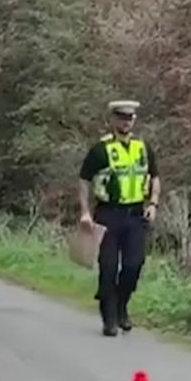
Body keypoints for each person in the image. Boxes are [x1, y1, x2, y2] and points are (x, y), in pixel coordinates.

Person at [78, 100, 160, 336]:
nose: (126, 121)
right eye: (121, 117)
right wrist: (84, 211)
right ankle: (109, 317)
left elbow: (154, 176)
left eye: (130, 118)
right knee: (109, 267)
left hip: (135, 214)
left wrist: (153, 203)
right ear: (113, 119)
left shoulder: (142, 147)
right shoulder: (100, 150)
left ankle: (121, 303)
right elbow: (84, 180)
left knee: (134, 265)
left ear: (134, 121)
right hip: (108, 214)